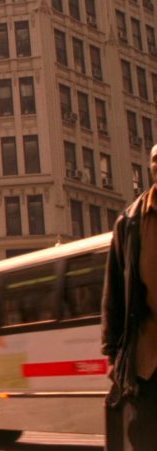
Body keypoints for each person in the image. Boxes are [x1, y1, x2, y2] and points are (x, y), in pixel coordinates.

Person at [103, 144, 157, 450]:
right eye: (154, 161)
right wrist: (112, 353)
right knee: (144, 435)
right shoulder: (130, 222)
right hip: (147, 358)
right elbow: (114, 292)